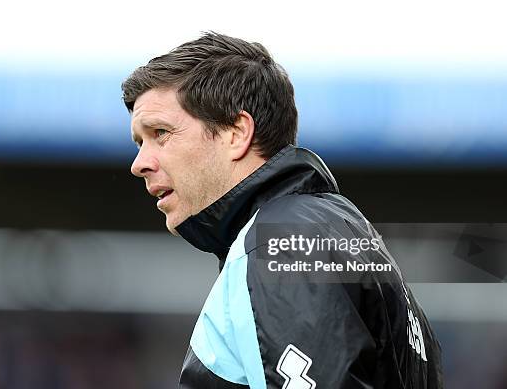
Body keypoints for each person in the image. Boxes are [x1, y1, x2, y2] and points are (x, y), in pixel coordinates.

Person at [122, 32, 443, 389]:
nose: (139, 163)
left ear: (236, 132)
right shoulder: (321, 226)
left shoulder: (282, 240)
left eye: (161, 133)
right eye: (139, 142)